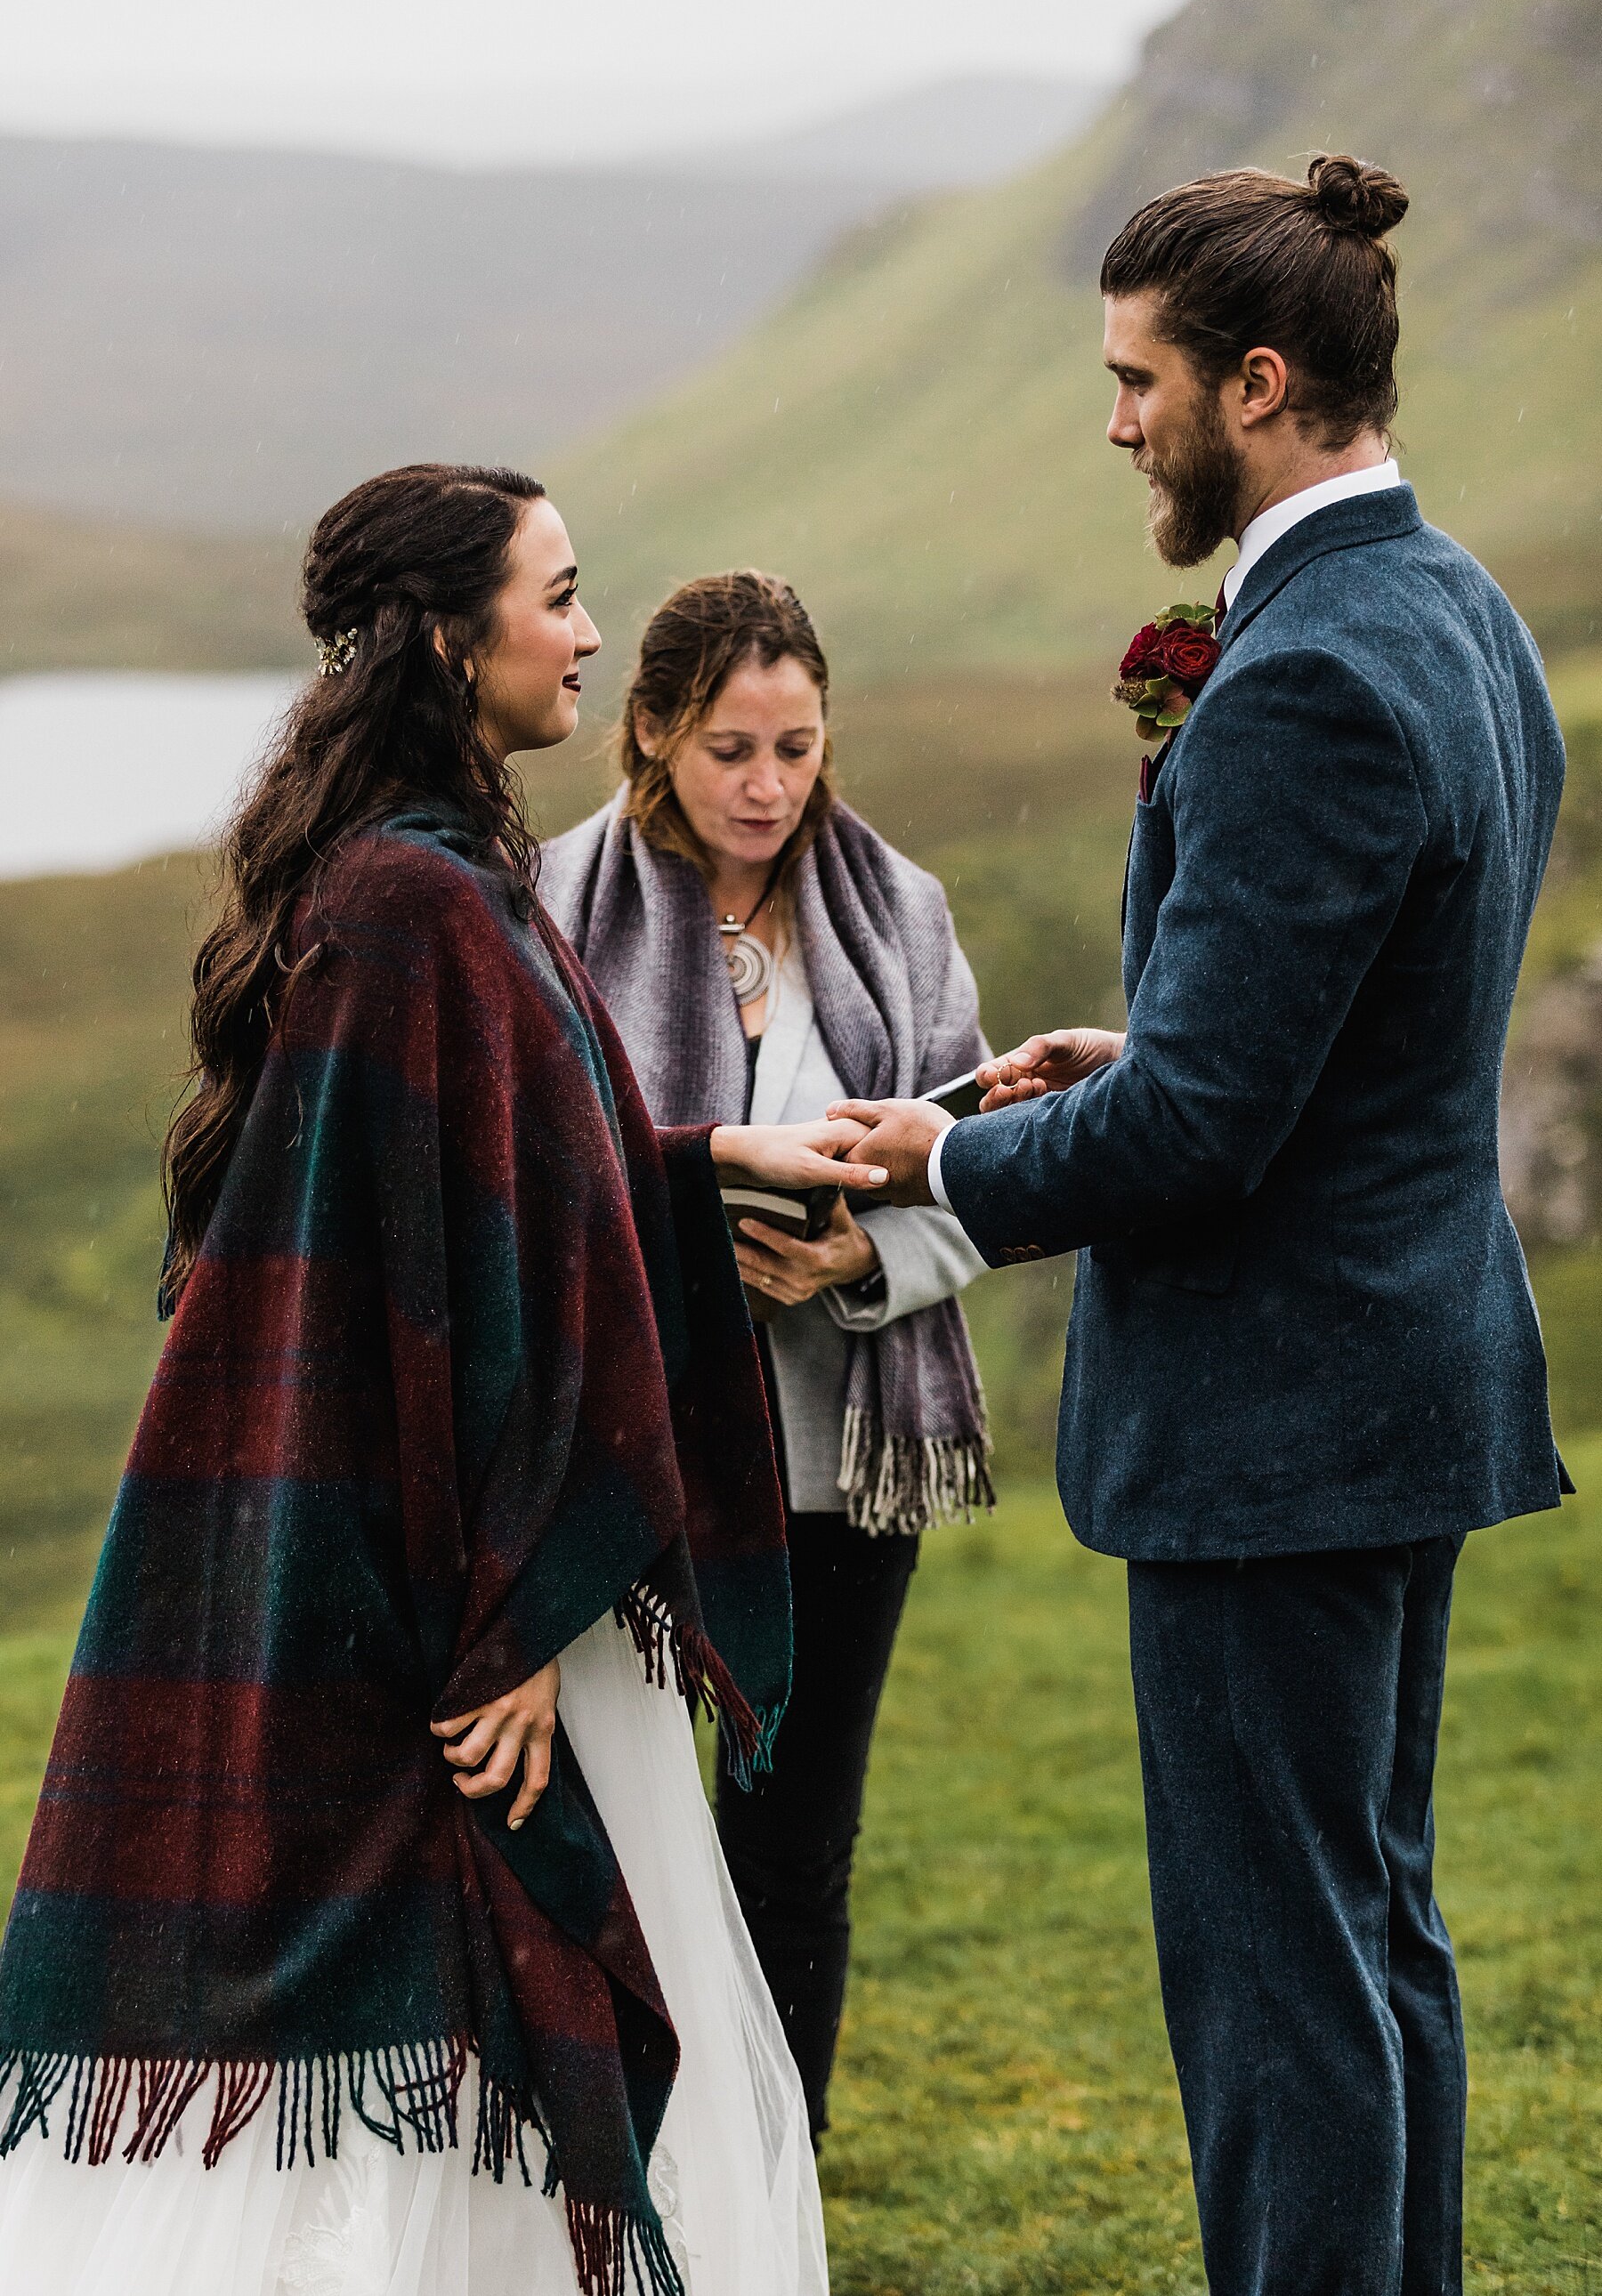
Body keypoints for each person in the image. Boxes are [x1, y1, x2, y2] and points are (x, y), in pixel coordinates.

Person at [0, 465, 886, 2296]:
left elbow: (524, 1206)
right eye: (555, 595)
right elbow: (388, 1316)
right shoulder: (412, 901)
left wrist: (703, 1166)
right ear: (443, 632)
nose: (583, 630)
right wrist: (501, 1627)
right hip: (484, 1625)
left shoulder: (450, 867)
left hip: (507, 1600)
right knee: (471, 2066)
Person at [827, 158, 1570, 2294]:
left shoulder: (1310, 673)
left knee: (1277, 1987)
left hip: (1280, 1423)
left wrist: (934, 1167)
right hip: (1404, 1376)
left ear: (1260, 381)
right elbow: (1318, 1041)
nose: (1117, 422)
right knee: (1373, 1932)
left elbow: (1209, 1145)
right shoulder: (1457, 607)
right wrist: (1139, 1047)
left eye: (1138, 381)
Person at [539, 570, 991, 2144]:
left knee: (795, 1850)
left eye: (797, 747)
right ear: (653, 733)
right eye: (732, 748)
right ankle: (625, 2181)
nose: (769, 785)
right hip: (634, 1462)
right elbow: (532, 1184)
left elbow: (977, 1166)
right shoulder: (551, 907)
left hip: (833, 1468)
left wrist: (866, 1261)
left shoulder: (901, 914)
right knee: (626, 1843)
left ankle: (774, 2193)